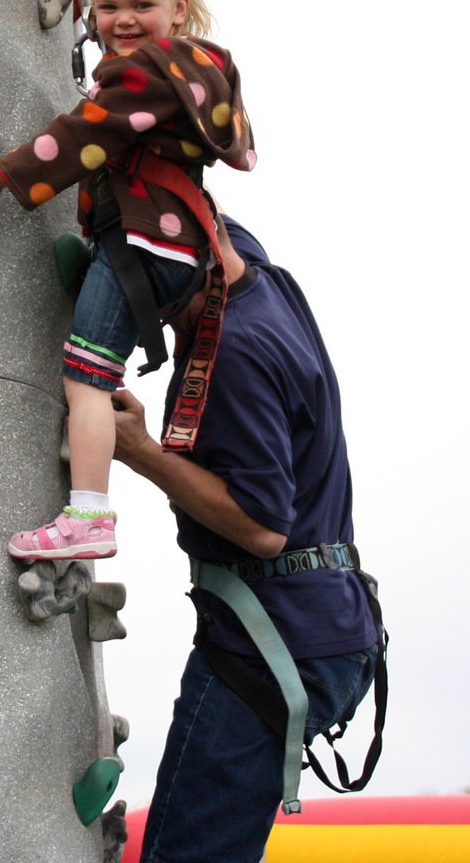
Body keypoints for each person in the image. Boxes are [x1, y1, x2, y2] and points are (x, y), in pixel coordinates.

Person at [0, 0, 255, 562]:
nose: (120, 19)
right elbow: (130, 72)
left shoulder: (142, 74)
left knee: (85, 379)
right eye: (109, 6)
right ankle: (87, 511)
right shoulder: (193, 71)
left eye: (141, 5)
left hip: (139, 248)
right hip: (175, 251)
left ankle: (87, 515)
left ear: (179, 8)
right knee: (94, 370)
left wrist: (5, 174)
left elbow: (89, 130)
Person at [112, 215, 385, 863]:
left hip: (270, 644)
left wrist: (141, 453)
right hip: (324, 623)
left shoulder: (235, 349)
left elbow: (264, 527)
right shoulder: (256, 276)